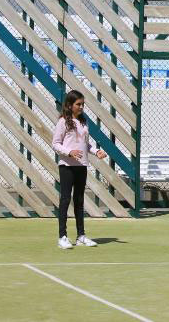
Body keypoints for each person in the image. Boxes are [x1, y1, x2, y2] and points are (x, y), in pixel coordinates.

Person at [51, 90, 108, 250]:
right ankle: (62, 237)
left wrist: (96, 151)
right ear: (70, 105)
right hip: (67, 166)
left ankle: (81, 235)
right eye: (78, 104)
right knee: (65, 200)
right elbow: (55, 143)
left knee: (79, 201)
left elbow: (85, 144)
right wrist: (69, 152)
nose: (81, 107)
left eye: (83, 104)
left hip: (82, 166)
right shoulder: (63, 121)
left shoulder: (83, 122)